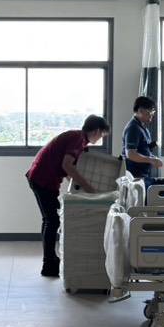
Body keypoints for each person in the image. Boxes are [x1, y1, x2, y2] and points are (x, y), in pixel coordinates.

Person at [26, 114, 110, 278]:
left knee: (49, 220)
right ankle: (48, 264)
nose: (101, 138)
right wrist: (89, 189)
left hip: (40, 177)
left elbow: (66, 168)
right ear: (96, 131)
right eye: (102, 135)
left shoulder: (78, 138)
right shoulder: (78, 139)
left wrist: (76, 186)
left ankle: (50, 260)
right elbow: (67, 165)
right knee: (52, 220)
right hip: (43, 179)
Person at [122, 95, 163, 183]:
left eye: (153, 112)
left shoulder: (143, 128)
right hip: (134, 176)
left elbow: (144, 151)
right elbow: (131, 154)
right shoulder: (133, 128)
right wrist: (151, 160)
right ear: (140, 111)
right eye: (149, 112)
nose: (151, 115)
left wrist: (153, 158)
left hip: (143, 174)